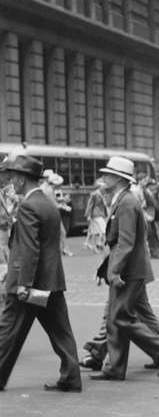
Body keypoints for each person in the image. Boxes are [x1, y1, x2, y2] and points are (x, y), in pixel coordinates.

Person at [0, 153, 82, 393]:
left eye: (14, 177)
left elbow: (29, 248)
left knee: (7, 330)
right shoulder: (47, 203)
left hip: (29, 283)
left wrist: (23, 283)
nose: (11, 182)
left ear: (23, 180)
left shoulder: (27, 206)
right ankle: (71, 377)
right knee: (61, 332)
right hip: (52, 280)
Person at [91, 156, 159, 381]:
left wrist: (115, 270)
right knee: (122, 316)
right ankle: (115, 368)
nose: (103, 177)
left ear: (118, 178)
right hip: (132, 269)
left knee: (119, 318)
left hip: (129, 271)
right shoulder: (124, 199)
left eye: (107, 174)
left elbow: (125, 241)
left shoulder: (126, 202)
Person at [84, 181, 108, 253]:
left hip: (100, 214)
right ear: (99, 187)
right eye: (103, 187)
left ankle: (96, 246)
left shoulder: (103, 194)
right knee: (103, 229)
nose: (104, 188)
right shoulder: (94, 194)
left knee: (95, 232)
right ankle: (100, 244)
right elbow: (90, 204)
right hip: (95, 214)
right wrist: (88, 214)